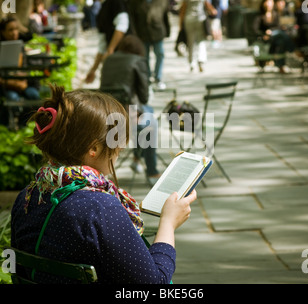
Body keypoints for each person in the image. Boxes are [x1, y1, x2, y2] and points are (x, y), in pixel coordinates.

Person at [10, 84, 197, 283]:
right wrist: (168, 222)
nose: (122, 147)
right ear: (94, 148)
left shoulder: (29, 196)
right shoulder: (100, 208)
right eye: (117, 139)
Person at [100, 35, 161, 184]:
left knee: (146, 112)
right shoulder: (138, 61)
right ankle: (151, 171)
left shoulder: (108, 60)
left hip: (105, 114)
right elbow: (144, 96)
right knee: (150, 123)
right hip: (127, 116)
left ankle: (136, 158)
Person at [0, 16, 41, 126]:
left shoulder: (20, 45)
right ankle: (6, 125)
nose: (14, 33)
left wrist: (22, 81)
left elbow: (30, 35)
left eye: (16, 29)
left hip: (22, 83)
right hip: (6, 85)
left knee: (34, 95)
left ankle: (23, 124)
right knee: (13, 98)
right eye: (10, 30)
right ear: (2, 32)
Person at [82, 0, 131, 84]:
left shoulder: (115, 0)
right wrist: (93, 70)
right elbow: (102, 44)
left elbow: (122, 26)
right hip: (115, 60)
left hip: (128, 55)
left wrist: (110, 50)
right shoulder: (100, 12)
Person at [129, 0, 170, 90]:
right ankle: (146, 79)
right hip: (142, 33)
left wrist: (167, 31)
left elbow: (165, 15)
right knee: (144, 57)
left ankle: (158, 77)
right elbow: (132, 17)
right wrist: (134, 33)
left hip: (157, 31)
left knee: (160, 54)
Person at [179, 0, 217, 72]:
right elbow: (208, 6)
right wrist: (213, 11)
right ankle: (201, 60)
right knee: (201, 41)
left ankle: (192, 62)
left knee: (190, 42)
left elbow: (182, 12)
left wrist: (180, 25)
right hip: (200, 19)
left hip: (189, 20)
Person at [253, 0, 295, 73]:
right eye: (267, 1)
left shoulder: (276, 15)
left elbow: (278, 27)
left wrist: (270, 31)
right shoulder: (259, 16)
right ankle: (292, 49)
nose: (269, 4)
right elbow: (255, 30)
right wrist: (264, 34)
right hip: (266, 39)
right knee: (280, 36)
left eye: (270, 2)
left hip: (275, 38)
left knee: (280, 40)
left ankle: (280, 66)